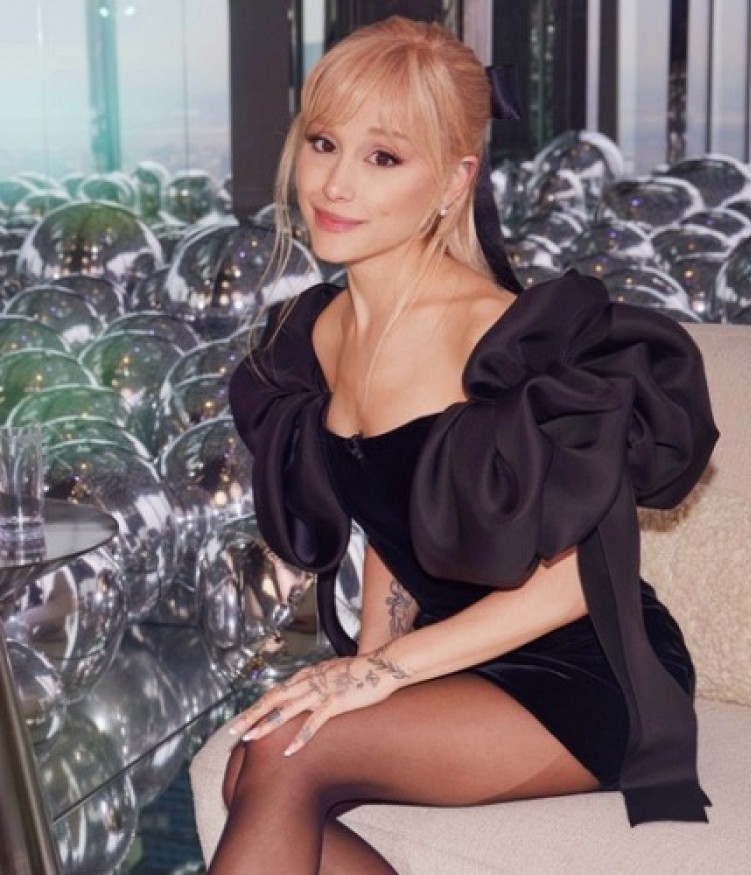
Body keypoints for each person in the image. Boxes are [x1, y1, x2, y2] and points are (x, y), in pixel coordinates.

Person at [210, 15, 718, 875]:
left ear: (454, 180)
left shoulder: (502, 339)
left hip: (582, 670)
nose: (335, 183)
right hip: (450, 658)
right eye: (324, 143)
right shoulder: (317, 333)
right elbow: (396, 517)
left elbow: (577, 581)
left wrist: (388, 673)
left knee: (281, 753)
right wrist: (364, 665)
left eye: (383, 157)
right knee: (261, 760)